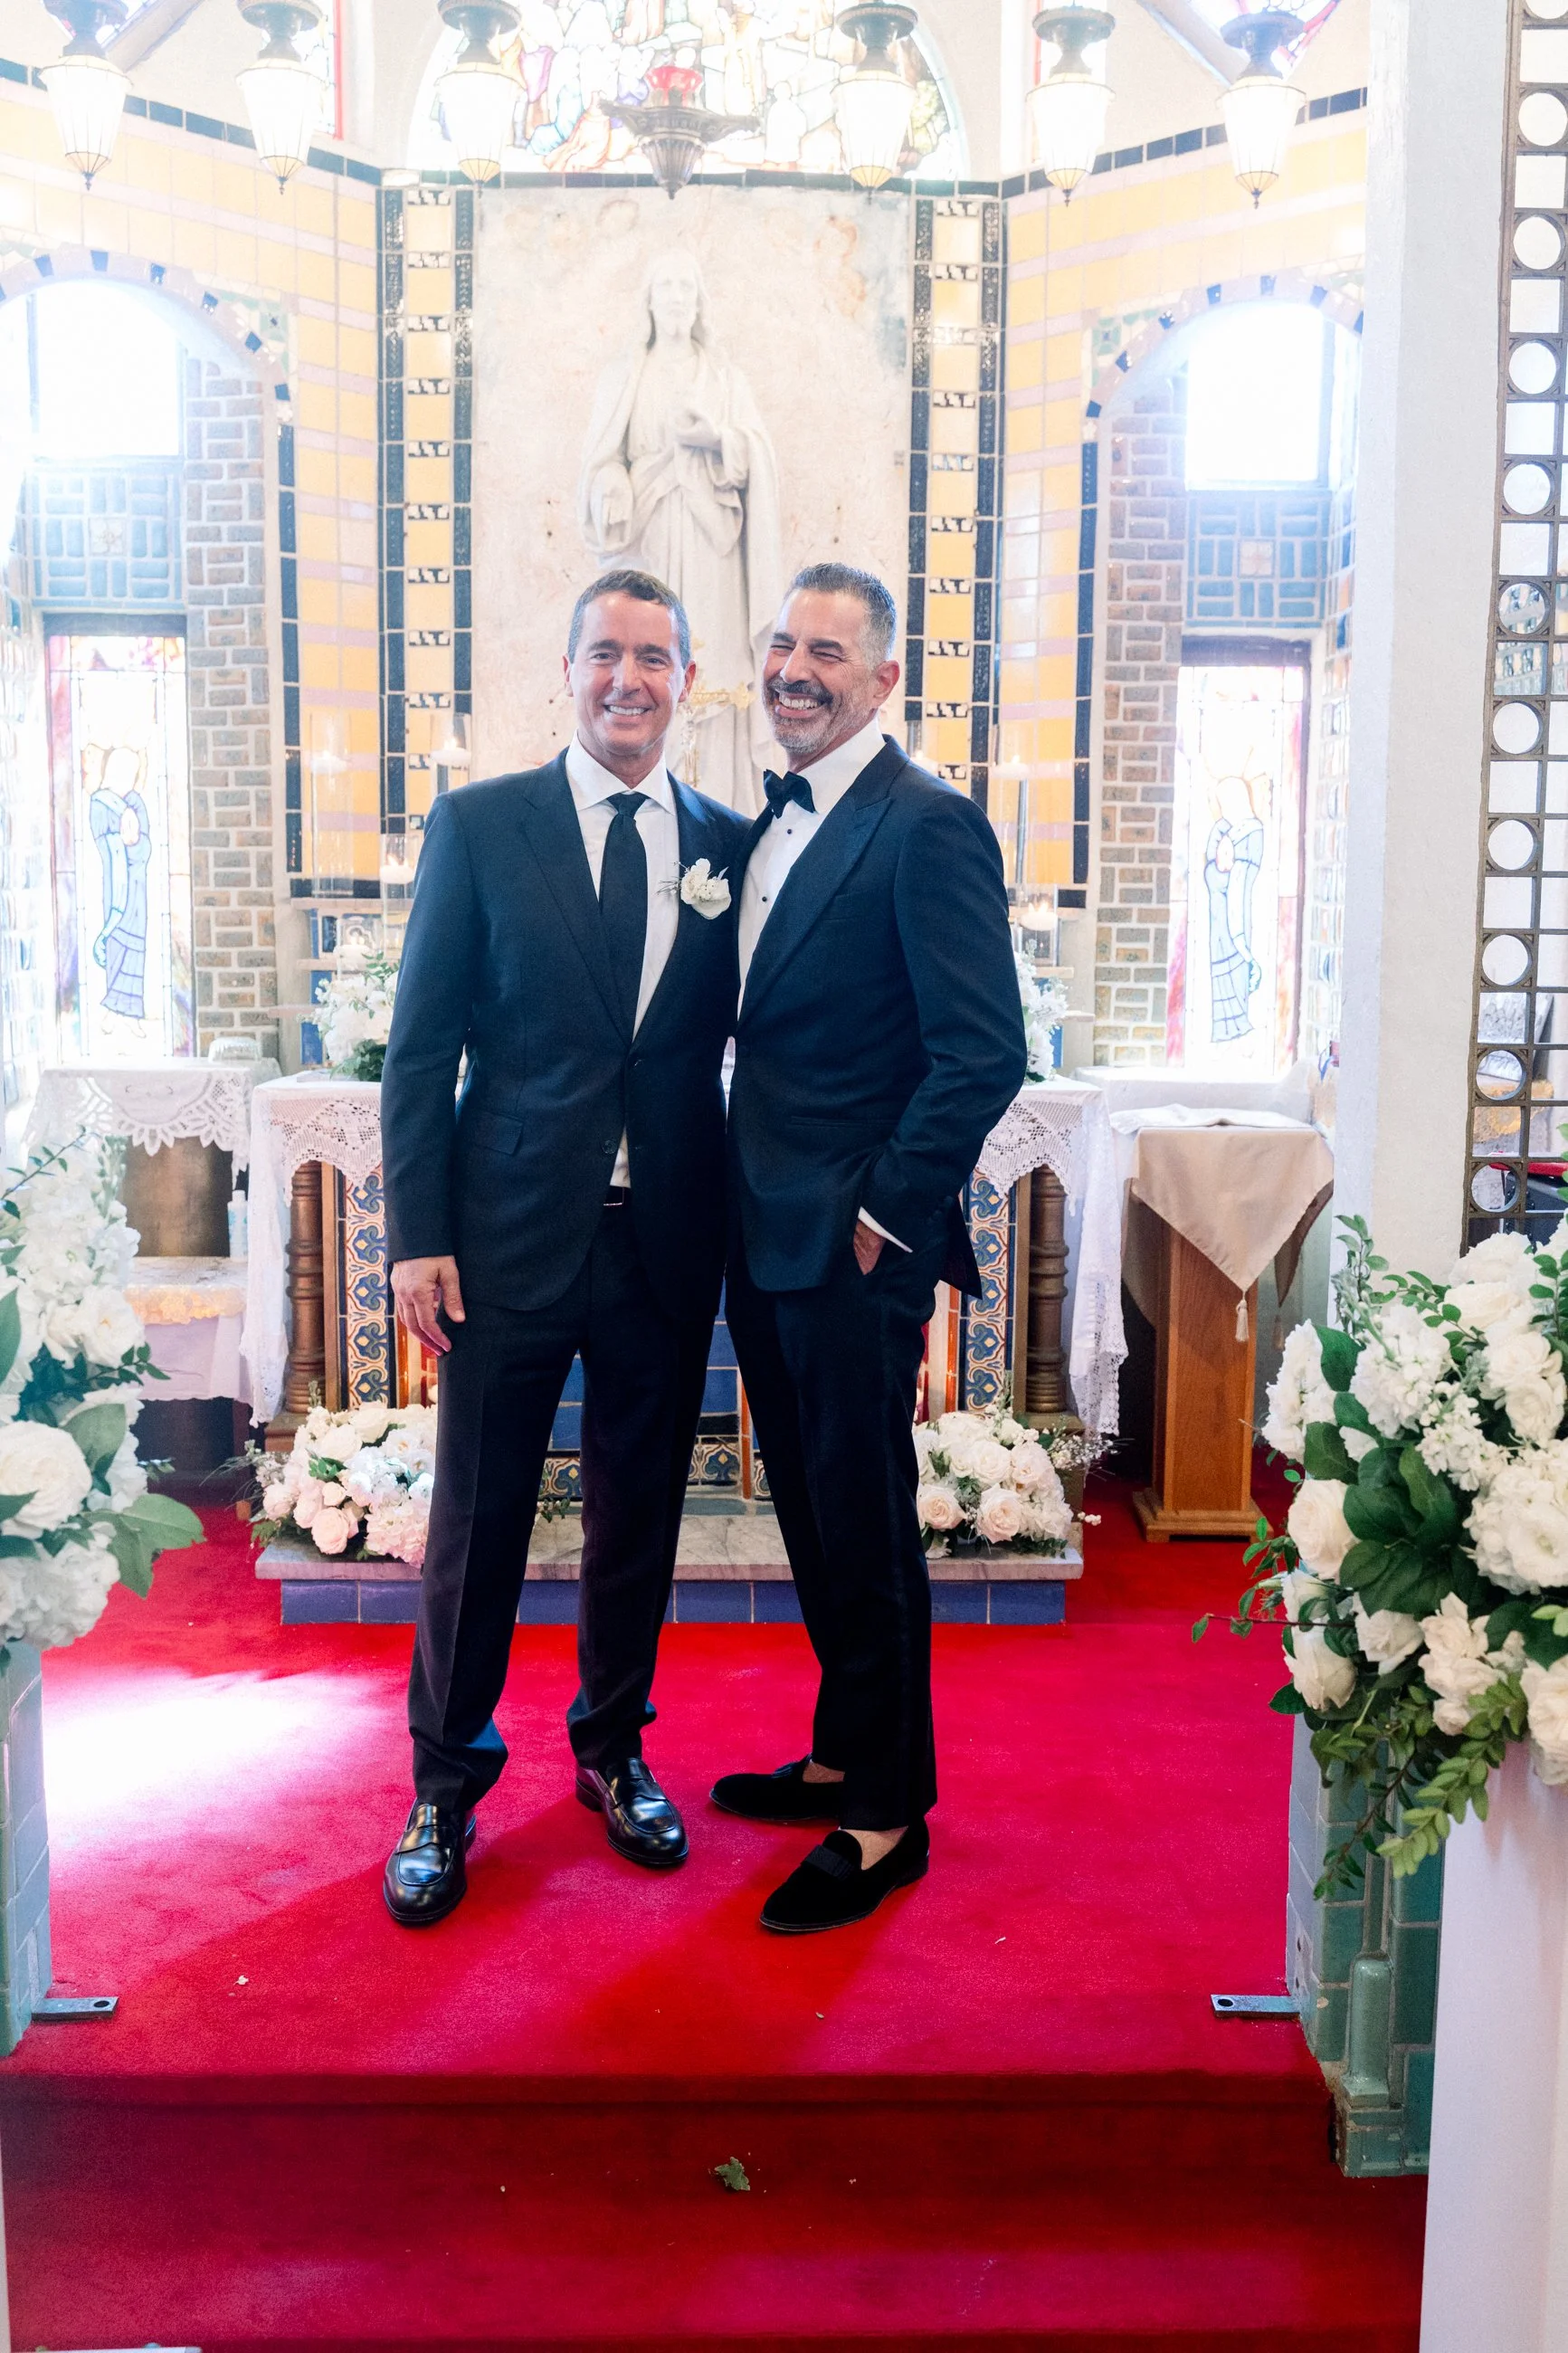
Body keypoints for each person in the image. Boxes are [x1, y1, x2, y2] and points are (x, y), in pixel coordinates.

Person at [379, 568, 748, 1926]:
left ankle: (612, 1748)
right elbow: (420, 1047)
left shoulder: (729, 843)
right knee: (477, 1522)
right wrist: (418, 1235)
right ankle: (444, 1783)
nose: (627, 679)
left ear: (687, 680)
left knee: (637, 1513)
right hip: (506, 1238)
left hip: (662, 1242)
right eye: (605, 653)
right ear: (570, 669)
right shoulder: (483, 826)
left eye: (653, 656)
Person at [712, 561, 1027, 1935]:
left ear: (886, 678)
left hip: (851, 1246)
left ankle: (889, 1814)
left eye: (828, 653)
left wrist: (882, 1214)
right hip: (760, 1229)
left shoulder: (927, 826)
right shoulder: (764, 825)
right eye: (784, 645)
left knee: (866, 1522)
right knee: (811, 1508)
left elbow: (984, 1052)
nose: (796, 670)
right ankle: (843, 1754)